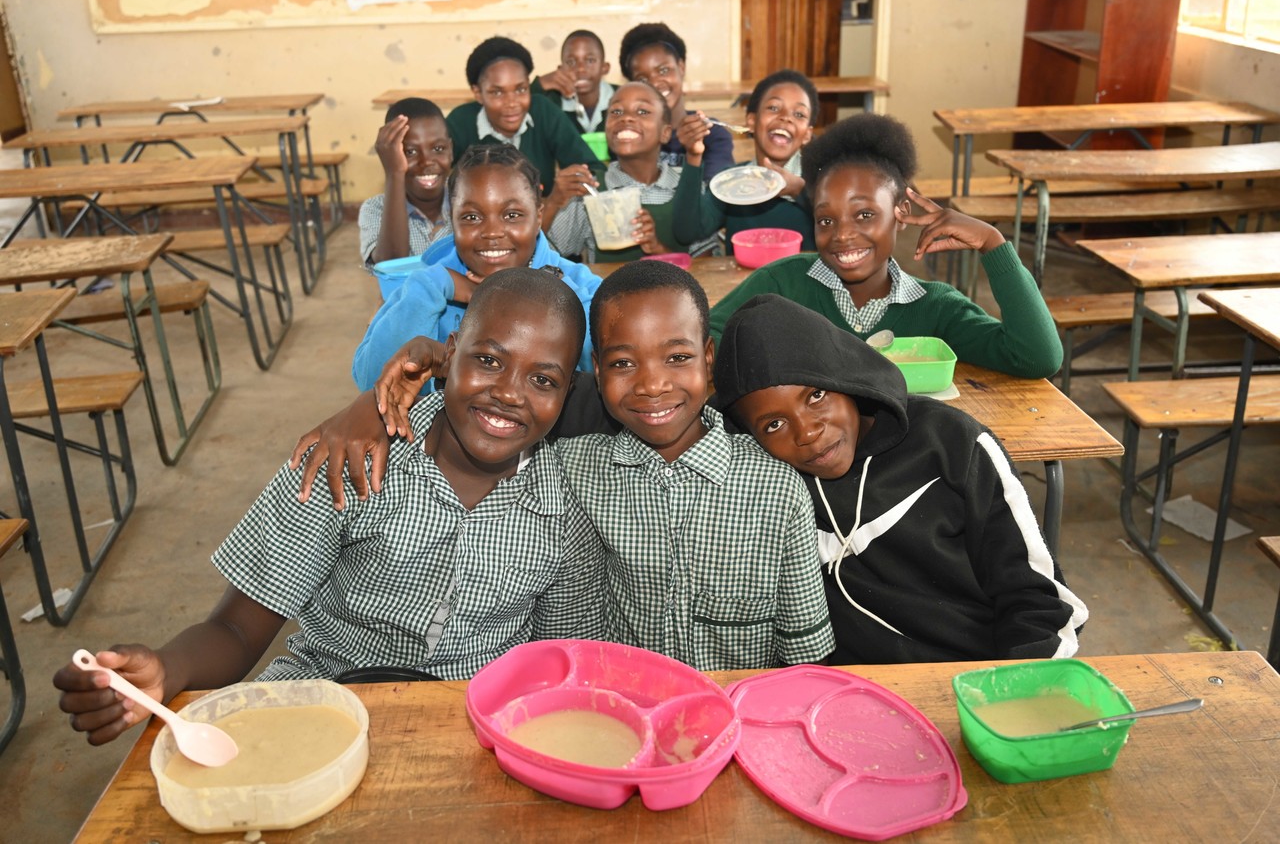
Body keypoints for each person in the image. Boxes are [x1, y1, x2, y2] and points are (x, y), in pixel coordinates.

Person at [54, 269, 606, 746]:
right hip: (320, 696)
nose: (508, 392)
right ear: (450, 350)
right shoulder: (347, 459)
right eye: (487, 359)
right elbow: (237, 629)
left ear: (568, 392)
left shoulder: (569, 507)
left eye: (542, 380)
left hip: (473, 723)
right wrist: (167, 669)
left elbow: (556, 661)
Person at [294, 262, 836, 672]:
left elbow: (807, 659)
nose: (652, 385)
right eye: (623, 363)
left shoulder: (776, 487)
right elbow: (501, 402)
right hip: (619, 712)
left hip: (740, 721)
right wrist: (380, 402)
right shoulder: (573, 468)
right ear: (596, 373)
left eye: (677, 357)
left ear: (708, 360)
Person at [713, 293, 1088, 663]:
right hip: (850, 687)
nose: (807, 432)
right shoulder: (768, 484)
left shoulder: (951, 443)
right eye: (774, 424)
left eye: (816, 395)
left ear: (844, 375)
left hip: (977, 671)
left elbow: (1036, 600)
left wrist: (1018, 683)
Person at [707, 113, 1064, 379]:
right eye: (826, 220)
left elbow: (1037, 357)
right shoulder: (783, 284)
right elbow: (707, 342)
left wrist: (992, 243)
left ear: (902, 213)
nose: (842, 234)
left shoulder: (935, 309)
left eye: (864, 215)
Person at [357, 143, 601, 388]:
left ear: (538, 217)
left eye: (512, 215)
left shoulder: (581, 288)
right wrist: (434, 284)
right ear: (452, 220)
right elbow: (372, 382)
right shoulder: (425, 287)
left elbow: (604, 372)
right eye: (471, 217)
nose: (492, 232)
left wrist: (556, 295)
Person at [545, 82, 718, 263]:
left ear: (665, 133)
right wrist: (553, 203)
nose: (626, 118)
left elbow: (703, 268)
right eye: (616, 111)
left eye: (642, 111)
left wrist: (657, 249)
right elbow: (539, 255)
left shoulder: (688, 184)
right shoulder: (590, 190)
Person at [672, 69, 819, 253]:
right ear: (751, 121)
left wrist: (799, 191)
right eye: (773, 108)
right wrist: (693, 156)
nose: (786, 117)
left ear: (807, 134)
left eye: (799, 114)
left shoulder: (821, 181)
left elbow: (837, 223)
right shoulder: (731, 183)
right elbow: (686, 232)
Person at [446, 35, 604, 204]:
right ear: (478, 93)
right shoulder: (460, 122)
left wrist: (579, 180)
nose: (512, 103)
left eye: (521, 89)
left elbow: (594, 169)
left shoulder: (543, 111)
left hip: (544, 216)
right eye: (497, 92)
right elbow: (435, 170)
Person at [618, 22, 735, 180]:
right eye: (642, 79)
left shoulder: (711, 134)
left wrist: (693, 155)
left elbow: (714, 191)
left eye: (663, 70)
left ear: (681, 67)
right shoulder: (629, 136)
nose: (655, 83)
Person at [358, 97, 453, 271]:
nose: (426, 161)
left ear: (451, 150)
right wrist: (394, 173)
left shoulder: (466, 200)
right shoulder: (375, 208)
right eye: (410, 152)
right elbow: (391, 265)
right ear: (390, 157)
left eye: (438, 149)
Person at [530, 29, 616, 135]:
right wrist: (539, 85)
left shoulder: (622, 97)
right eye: (571, 62)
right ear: (560, 69)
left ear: (604, 67)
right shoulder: (551, 103)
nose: (580, 68)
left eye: (590, 60)